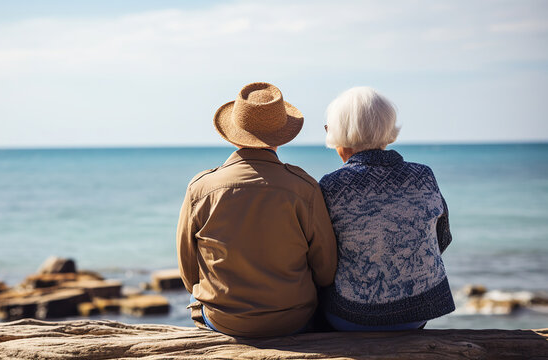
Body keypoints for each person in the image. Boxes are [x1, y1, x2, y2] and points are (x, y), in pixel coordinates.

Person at [176, 82, 337, 337]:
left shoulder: (201, 187)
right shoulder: (304, 187)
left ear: (234, 131)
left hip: (223, 321)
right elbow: (326, 271)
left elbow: (188, 274)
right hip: (293, 320)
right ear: (282, 134)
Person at [319, 86, 455, 331]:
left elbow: (323, 260)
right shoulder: (423, 175)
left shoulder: (331, 185)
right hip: (419, 313)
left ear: (340, 133)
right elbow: (442, 238)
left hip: (353, 316)